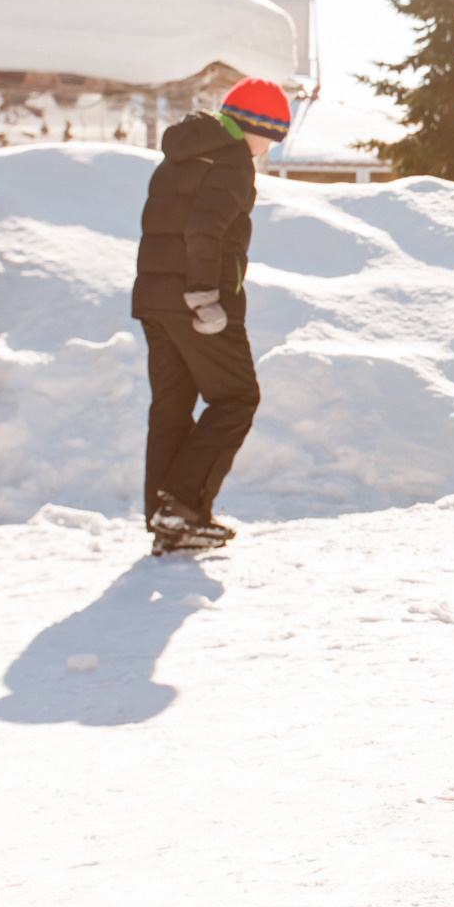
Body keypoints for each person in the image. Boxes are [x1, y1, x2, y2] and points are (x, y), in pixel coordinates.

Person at [130, 77, 291, 557]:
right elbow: (205, 228)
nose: (266, 150)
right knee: (237, 397)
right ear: (256, 127)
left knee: (171, 406)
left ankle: (166, 519)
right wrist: (205, 297)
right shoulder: (231, 160)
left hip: (155, 297)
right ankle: (182, 507)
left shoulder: (183, 153)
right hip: (197, 301)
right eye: (270, 138)